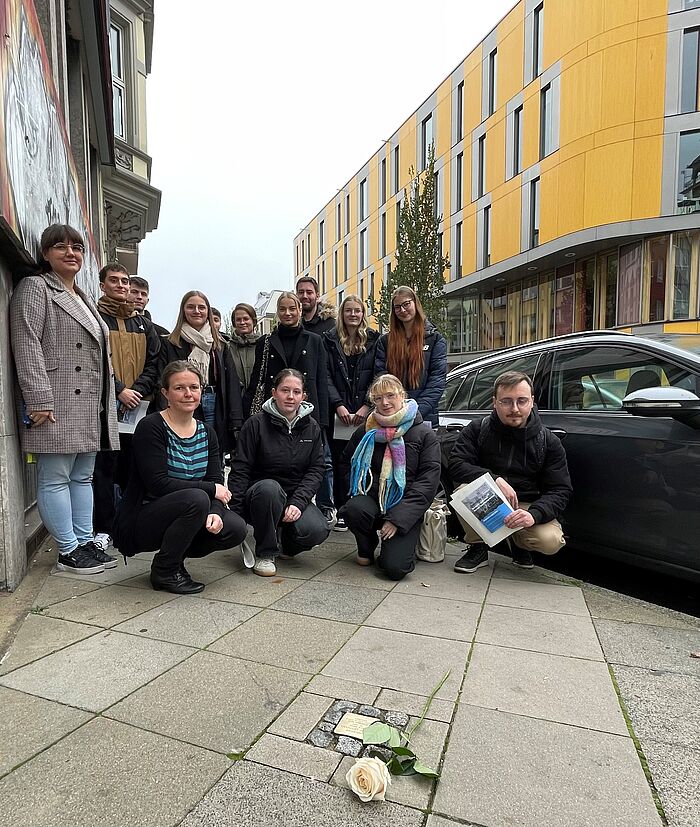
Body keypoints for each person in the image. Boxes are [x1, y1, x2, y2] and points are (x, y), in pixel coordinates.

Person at [10, 224, 119, 575]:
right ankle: (68, 551)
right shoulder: (35, 287)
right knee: (55, 476)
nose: (71, 253)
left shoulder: (84, 297)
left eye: (77, 247)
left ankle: (84, 542)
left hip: (89, 404)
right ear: (45, 254)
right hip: (55, 402)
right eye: (61, 247)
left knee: (83, 477)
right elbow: (26, 344)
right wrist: (39, 398)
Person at [113, 361, 247, 594]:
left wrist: (215, 510)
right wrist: (209, 491)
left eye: (194, 387)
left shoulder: (207, 432)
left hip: (189, 509)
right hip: (145, 518)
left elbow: (216, 479)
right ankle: (164, 571)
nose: (188, 394)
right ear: (165, 393)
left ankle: (174, 559)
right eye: (179, 388)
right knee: (196, 499)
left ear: (201, 391)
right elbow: (158, 483)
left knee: (235, 527)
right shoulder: (151, 427)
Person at [449, 371, 573, 573]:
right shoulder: (477, 429)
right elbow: (456, 464)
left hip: (525, 505)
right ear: (494, 402)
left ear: (532, 401)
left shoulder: (548, 442)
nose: (514, 409)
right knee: (465, 489)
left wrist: (533, 514)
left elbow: (560, 490)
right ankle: (478, 546)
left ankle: (518, 543)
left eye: (521, 401)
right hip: (489, 499)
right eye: (506, 401)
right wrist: (494, 479)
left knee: (551, 541)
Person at [229, 369, 329, 577]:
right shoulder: (255, 424)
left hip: (293, 497)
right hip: (260, 496)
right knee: (269, 489)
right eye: (285, 390)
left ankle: (285, 545)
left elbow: (316, 469)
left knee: (316, 529)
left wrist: (299, 502)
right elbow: (240, 468)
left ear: (304, 396)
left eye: (296, 391)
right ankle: (265, 553)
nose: (290, 397)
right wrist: (236, 514)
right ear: (274, 393)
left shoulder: (312, 428)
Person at [341, 374, 441, 580]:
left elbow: (427, 482)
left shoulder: (423, 434)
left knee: (395, 569)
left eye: (390, 395)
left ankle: (396, 545)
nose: (384, 403)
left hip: (405, 505)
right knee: (353, 510)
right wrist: (355, 494)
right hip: (372, 499)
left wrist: (398, 520)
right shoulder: (365, 431)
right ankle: (366, 545)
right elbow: (346, 464)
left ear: (402, 395)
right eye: (378, 398)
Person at [92, 263, 161, 552]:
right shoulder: (95, 318)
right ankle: (104, 528)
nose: (121, 286)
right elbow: (96, 360)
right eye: (115, 281)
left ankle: (131, 523)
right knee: (104, 469)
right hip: (104, 407)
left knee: (136, 468)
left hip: (138, 409)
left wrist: (138, 390)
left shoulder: (143, 324)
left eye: (125, 281)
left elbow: (155, 362)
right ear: (102, 285)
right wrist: (120, 390)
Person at [156, 290, 243, 459]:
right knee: (184, 448)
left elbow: (232, 382)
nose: (196, 311)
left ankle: (213, 484)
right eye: (191, 307)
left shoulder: (220, 344)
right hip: (181, 400)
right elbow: (162, 379)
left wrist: (236, 420)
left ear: (208, 312)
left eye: (201, 307)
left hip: (214, 401)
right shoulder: (169, 342)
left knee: (213, 450)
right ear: (183, 311)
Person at [323, 294, 379, 531]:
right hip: (340, 414)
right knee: (339, 461)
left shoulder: (376, 340)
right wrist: (338, 405)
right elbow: (325, 375)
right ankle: (343, 509)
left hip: (366, 413)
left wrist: (367, 405)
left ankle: (361, 508)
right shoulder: (330, 340)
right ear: (342, 314)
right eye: (348, 310)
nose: (353, 315)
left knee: (364, 461)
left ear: (363, 313)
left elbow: (379, 374)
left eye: (357, 310)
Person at [245, 292, 328, 428]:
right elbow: (256, 381)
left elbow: (322, 382)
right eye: (282, 309)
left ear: (300, 310)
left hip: (307, 414)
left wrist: (323, 422)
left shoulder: (315, 341)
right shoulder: (265, 342)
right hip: (272, 413)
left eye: (292, 308)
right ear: (277, 312)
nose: (287, 313)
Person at [375, 286, 447, 428]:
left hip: (424, 417)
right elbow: (381, 377)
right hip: (392, 416)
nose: (402, 310)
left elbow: (437, 382)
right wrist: (396, 410)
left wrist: (413, 412)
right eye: (397, 307)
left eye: (406, 304)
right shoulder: (385, 342)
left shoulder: (435, 340)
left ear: (415, 303)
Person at [296, 276, 336, 524]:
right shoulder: (293, 325)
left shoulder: (330, 326)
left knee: (325, 458)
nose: (305, 296)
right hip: (294, 399)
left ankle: (326, 506)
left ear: (317, 295)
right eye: (300, 292)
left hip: (322, 398)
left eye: (309, 292)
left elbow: (330, 368)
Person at [227, 302, 260, 392]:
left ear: (253, 321)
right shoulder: (227, 348)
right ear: (234, 323)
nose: (242, 322)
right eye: (238, 320)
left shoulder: (263, 345)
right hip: (235, 399)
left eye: (246, 319)